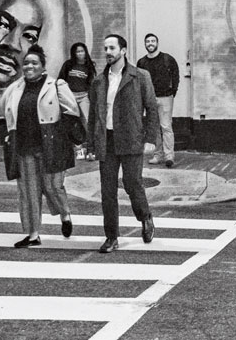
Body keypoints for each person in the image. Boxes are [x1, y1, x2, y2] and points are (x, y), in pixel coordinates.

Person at [0, 45, 83, 248]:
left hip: (51, 146)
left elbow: (72, 113)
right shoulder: (14, 89)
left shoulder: (56, 85)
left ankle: (65, 214)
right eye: (26, 63)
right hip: (24, 148)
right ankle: (33, 234)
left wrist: (64, 137)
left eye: (34, 63)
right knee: (29, 192)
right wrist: (6, 136)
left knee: (53, 186)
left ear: (43, 67)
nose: (29, 66)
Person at [87, 34, 161, 253]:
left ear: (123, 50)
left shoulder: (139, 76)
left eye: (112, 48)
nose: (108, 52)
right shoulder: (99, 81)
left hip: (131, 138)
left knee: (132, 184)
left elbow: (152, 108)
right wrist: (91, 143)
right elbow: (93, 114)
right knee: (107, 191)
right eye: (105, 48)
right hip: (107, 141)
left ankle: (145, 216)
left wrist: (150, 138)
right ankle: (111, 237)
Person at [137, 33, 180, 168]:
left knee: (166, 126)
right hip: (149, 99)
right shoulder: (141, 62)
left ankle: (169, 156)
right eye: (148, 41)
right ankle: (158, 155)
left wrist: (173, 92)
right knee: (154, 128)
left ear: (157, 43)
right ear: (145, 44)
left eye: (153, 41)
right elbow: (139, 81)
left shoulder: (168, 59)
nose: (150, 43)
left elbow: (176, 76)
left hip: (165, 97)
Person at [59, 42, 98, 160]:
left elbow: (91, 83)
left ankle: (92, 149)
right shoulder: (68, 64)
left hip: (83, 96)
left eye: (82, 51)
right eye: (77, 51)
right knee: (72, 123)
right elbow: (61, 79)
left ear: (85, 52)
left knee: (87, 121)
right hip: (70, 97)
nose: (80, 53)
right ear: (74, 53)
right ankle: (78, 148)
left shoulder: (89, 66)